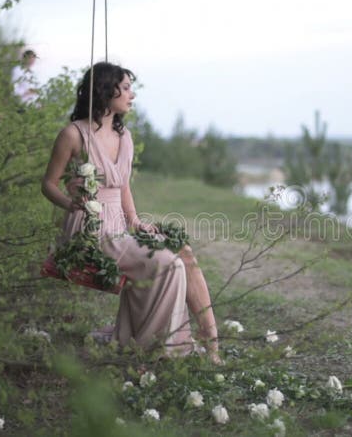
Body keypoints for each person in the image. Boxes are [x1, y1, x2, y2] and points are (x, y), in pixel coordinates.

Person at [41, 62, 221, 363]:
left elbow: (122, 187)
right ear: (105, 89)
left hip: (119, 227)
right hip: (89, 230)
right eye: (125, 88)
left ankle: (211, 342)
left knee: (184, 254)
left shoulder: (124, 137)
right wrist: (70, 202)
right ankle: (159, 348)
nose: (131, 95)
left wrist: (135, 220)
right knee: (167, 262)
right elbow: (48, 184)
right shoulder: (73, 135)